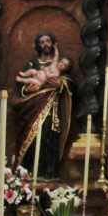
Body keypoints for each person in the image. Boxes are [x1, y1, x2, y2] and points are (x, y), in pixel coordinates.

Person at [13, 31, 73, 180]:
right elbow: (19, 87)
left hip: (52, 108)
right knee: (32, 137)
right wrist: (27, 89)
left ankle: (47, 173)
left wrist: (61, 84)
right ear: (38, 46)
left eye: (48, 41)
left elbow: (72, 84)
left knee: (48, 136)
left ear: (52, 43)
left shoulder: (59, 66)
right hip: (32, 108)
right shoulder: (33, 64)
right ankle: (27, 172)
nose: (45, 44)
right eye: (42, 42)